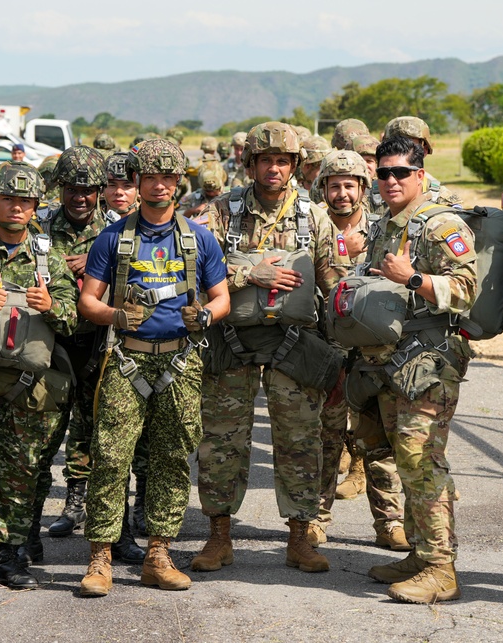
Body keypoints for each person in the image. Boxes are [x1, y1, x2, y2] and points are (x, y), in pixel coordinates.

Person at [193, 121, 350, 575]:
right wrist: (248, 275)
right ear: (251, 164)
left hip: (295, 343)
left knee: (300, 441)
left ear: (295, 166)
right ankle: (218, 536)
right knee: (221, 441)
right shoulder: (221, 211)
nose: (275, 168)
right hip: (231, 341)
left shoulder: (314, 215)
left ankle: (300, 537)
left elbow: (333, 282)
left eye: (284, 161)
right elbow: (200, 275)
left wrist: (339, 353)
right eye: (266, 160)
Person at [77, 138, 229, 596]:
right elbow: (88, 300)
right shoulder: (114, 237)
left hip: (180, 363)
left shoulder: (198, 238)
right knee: (110, 458)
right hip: (126, 359)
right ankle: (100, 558)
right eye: (151, 177)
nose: (159, 186)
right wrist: (115, 316)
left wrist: (204, 316)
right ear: (138, 181)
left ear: (179, 183)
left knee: (171, 460)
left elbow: (221, 298)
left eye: (168, 178)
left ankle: (158, 554)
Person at [345, 136, 476, 605]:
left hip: (429, 364)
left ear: (420, 175)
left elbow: (466, 290)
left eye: (402, 172)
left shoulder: (440, 226)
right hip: (389, 363)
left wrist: (413, 279)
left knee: (423, 463)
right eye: (384, 173)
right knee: (403, 460)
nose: (392, 181)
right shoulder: (385, 225)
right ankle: (421, 555)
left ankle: (442, 568)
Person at [0, 161, 78, 589]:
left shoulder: (48, 258)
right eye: (8, 199)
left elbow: (72, 320)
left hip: (26, 383)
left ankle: (11, 558)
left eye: (25, 201)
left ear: (34, 207)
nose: (16, 208)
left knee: (21, 470)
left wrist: (52, 306)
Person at [36, 147, 145, 566]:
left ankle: (118, 534)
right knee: (41, 445)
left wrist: (98, 263)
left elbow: (139, 279)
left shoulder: (119, 229)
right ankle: (29, 536)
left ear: (100, 190)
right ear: (60, 188)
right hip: (51, 347)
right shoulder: (39, 226)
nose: (81, 197)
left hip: (104, 347)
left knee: (112, 446)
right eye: (72, 189)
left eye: (88, 189)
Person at [307, 150, 408, 552]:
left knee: (377, 438)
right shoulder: (312, 225)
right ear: (324, 188)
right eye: (335, 185)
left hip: (372, 351)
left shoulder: (382, 228)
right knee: (326, 438)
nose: (343, 193)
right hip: (327, 348)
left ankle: (389, 523)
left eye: (350, 185)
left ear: (364, 189)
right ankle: (316, 519)